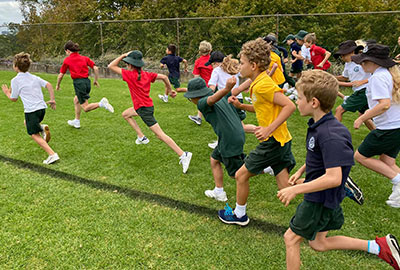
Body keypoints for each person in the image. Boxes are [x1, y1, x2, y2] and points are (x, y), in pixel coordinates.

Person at [277, 69, 400, 270]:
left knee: (291, 238)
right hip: (323, 194)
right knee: (318, 242)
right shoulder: (320, 126)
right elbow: (318, 155)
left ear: (314, 102)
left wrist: (295, 189)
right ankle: (379, 247)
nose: (297, 101)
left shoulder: (331, 134)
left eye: (299, 98)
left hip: (319, 198)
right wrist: (301, 171)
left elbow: (334, 177)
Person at [218, 38, 297, 226]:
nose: (240, 68)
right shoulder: (258, 82)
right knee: (285, 187)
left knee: (240, 175)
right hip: (282, 140)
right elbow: (263, 107)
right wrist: (241, 105)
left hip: (273, 141)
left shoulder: (263, 84)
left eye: (242, 63)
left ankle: (239, 215)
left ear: (253, 65)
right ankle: (332, 185)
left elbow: (289, 105)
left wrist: (269, 128)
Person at [108, 50, 192, 173]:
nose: (126, 65)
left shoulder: (130, 75)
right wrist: (169, 90)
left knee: (160, 135)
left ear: (131, 64)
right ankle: (141, 137)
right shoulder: (146, 74)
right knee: (126, 114)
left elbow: (111, 66)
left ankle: (183, 154)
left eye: (127, 63)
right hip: (145, 106)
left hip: (143, 109)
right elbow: (163, 77)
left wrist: (123, 55)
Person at [352, 43, 400, 208]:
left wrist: (362, 118)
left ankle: (398, 182)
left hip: (389, 128)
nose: (361, 64)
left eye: (364, 61)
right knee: (387, 160)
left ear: (375, 62)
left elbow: (384, 104)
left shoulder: (378, 77)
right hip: (396, 127)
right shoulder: (385, 74)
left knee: (360, 156)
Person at [185, 77, 245, 201]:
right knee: (214, 159)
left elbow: (211, 100)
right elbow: (239, 89)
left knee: (238, 174)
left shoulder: (202, 103)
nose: (191, 100)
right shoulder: (221, 95)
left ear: (196, 96)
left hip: (229, 139)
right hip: (234, 135)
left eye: (191, 98)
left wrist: (227, 88)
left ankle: (266, 167)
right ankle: (219, 191)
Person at [2, 52, 59, 164]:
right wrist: (52, 99)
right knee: (26, 122)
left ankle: (52, 154)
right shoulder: (34, 77)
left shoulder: (15, 80)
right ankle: (42, 128)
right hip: (42, 109)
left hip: (31, 111)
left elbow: (14, 99)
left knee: (33, 134)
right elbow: (49, 85)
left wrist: (7, 93)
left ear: (15, 67)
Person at [56, 41, 114, 129]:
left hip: (79, 83)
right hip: (87, 82)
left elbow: (60, 75)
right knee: (76, 100)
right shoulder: (84, 58)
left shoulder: (67, 60)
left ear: (67, 51)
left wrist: (58, 85)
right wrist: (96, 80)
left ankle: (101, 104)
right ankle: (77, 121)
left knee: (86, 107)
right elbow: (96, 68)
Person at [333, 40, 375, 131]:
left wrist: (362, 82)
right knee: (365, 116)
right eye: (341, 55)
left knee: (339, 110)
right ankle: (379, 136)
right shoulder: (347, 64)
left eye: (344, 54)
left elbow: (375, 75)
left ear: (352, 52)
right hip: (360, 91)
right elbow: (345, 77)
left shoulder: (362, 61)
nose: (342, 57)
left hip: (364, 91)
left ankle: (334, 133)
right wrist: (331, 77)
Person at [189, 40, 213, 125]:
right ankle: (199, 117)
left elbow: (196, 77)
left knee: (202, 102)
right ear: (210, 50)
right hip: (216, 84)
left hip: (205, 86)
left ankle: (199, 118)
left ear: (200, 51)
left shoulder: (198, 62)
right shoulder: (214, 60)